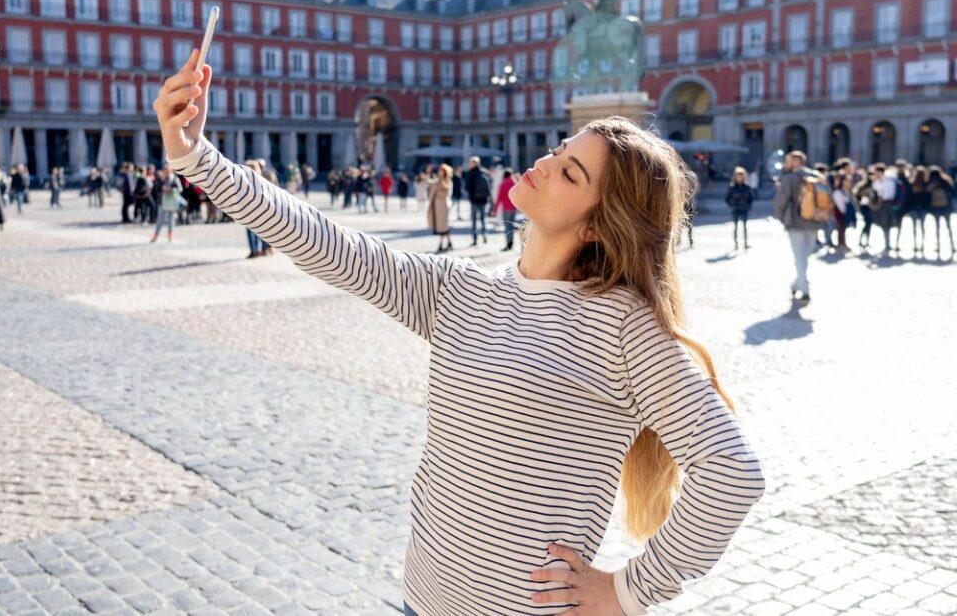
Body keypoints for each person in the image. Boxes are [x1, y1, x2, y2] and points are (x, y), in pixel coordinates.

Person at [155, 55, 765, 616]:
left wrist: (627, 591)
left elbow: (731, 472)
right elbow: (328, 245)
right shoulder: (463, 292)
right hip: (422, 595)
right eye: (560, 149)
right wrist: (197, 157)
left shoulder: (620, 323)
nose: (547, 162)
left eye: (571, 172)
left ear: (597, 225)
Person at [773, 150, 827, 304]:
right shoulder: (818, 176)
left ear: (796, 162)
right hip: (815, 221)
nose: (786, 164)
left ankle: (804, 290)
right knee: (805, 256)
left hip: (795, 221)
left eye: (788, 161)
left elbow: (779, 202)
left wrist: (782, 219)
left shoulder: (789, 178)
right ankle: (798, 284)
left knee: (800, 257)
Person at [926, 165, 955, 258]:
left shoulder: (931, 182)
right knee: (948, 227)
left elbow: (926, 195)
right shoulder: (945, 180)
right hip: (945, 207)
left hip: (937, 207)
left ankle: (940, 245)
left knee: (938, 227)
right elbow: (952, 193)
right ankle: (952, 245)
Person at [464, 156, 491, 246]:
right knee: (483, 218)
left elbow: (467, 187)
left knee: (474, 219)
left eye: (470, 163)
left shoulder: (471, 173)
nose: (469, 164)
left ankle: (475, 239)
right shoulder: (484, 172)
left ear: (474, 163)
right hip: (483, 199)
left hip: (474, 200)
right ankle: (484, 234)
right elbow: (490, 184)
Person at [725, 166, 754, 250]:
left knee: (745, 226)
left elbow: (751, 198)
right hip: (735, 209)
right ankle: (736, 244)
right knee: (736, 226)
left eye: (741, 176)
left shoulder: (747, 187)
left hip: (744, 208)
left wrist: (748, 206)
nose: (739, 177)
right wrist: (732, 206)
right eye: (738, 176)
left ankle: (745, 243)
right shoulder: (732, 187)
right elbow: (727, 199)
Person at [427, 163, 453, 253]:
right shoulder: (437, 180)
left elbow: (446, 194)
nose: (439, 172)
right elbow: (429, 182)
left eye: (441, 171)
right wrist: (428, 172)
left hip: (444, 206)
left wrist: (438, 192)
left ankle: (441, 245)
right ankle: (449, 242)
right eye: (439, 170)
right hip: (437, 207)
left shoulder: (447, 181)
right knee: (443, 226)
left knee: (443, 226)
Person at [150, 168, 182, 242]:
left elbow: (180, 189)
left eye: (166, 171)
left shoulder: (175, 179)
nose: (165, 173)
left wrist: (171, 189)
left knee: (171, 220)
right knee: (160, 220)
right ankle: (155, 236)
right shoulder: (161, 179)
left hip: (172, 202)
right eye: (164, 172)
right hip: (162, 202)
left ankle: (170, 236)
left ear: (170, 171)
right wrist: (162, 188)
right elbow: (156, 189)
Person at [492, 168, 519, 251]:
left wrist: (495, 210)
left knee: (507, 227)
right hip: (514, 207)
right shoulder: (515, 183)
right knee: (511, 225)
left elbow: (499, 198)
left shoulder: (503, 184)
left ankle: (508, 244)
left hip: (506, 208)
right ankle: (511, 243)